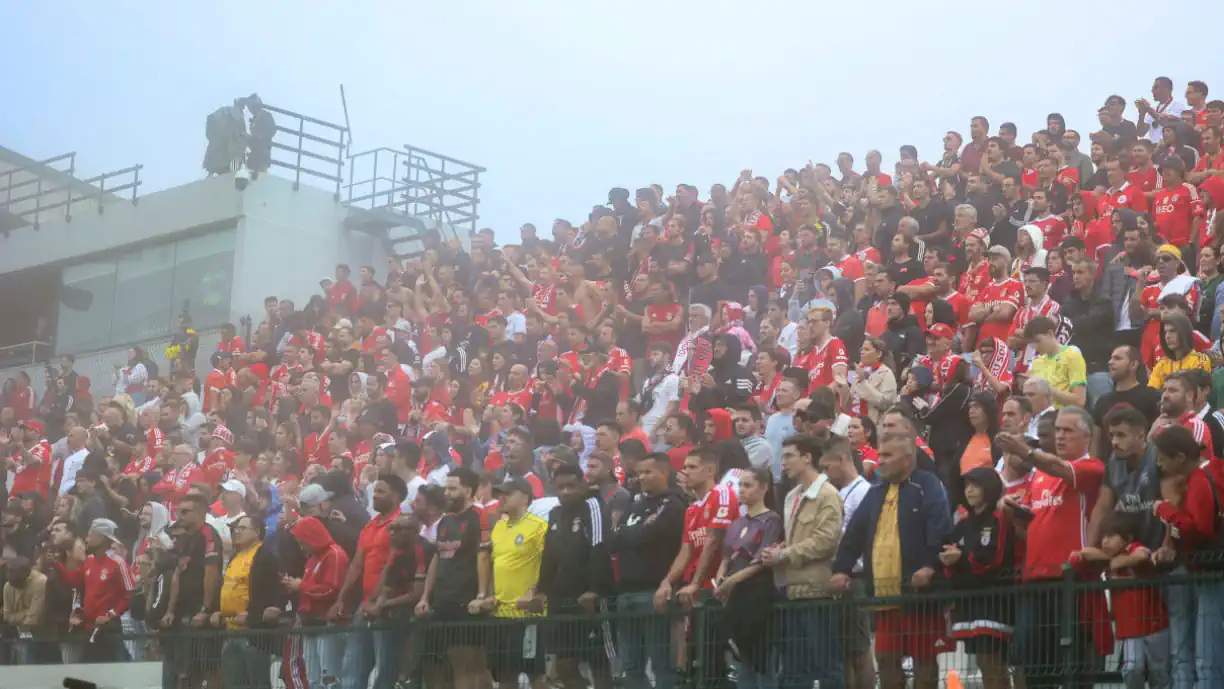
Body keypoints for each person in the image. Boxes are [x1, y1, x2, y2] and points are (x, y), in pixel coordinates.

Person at [995, 407, 1110, 689]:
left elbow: (1060, 468)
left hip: (1071, 578)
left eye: (1068, 431)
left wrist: (1026, 452)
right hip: (1034, 580)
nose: (1060, 436)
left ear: (1086, 435)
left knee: (1074, 663)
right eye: (1058, 430)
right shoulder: (1039, 478)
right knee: (1035, 666)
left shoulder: (1091, 467)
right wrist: (1012, 515)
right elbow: (1031, 531)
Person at [830, 432, 952, 689]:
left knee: (924, 661)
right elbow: (854, 533)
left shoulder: (928, 485)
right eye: (879, 455)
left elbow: (940, 528)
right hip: (884, 596)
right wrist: (841, 569)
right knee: (885, 659)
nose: (880, 461)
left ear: (907, 459)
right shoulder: (875, 492)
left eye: (887, 456)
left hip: (918, 595)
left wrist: (930, 566)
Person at [762, 434, 845, 689]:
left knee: (827, 665)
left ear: (807, 458)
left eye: (788, 456)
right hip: (792, 589)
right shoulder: (791, 496)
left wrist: (783, 555)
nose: (782, 462)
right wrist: (782, 548)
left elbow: (826, 541)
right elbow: (800, 538)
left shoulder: (827, 494)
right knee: (796, 670)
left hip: (816, 591)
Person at [608, 453, 685, 689]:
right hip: (626, 592)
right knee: (630, 666)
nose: (641, 477)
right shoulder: (635, 504)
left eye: (648, 472)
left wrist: (630, 534)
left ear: (663, 472)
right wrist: (635, 533)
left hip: (655, 591)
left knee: (662, 663)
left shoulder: (673, 503)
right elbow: (613, 539)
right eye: (639, 473)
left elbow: (650, 534)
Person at [535, 464, 616, 689]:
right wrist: (541, 590)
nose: (566, 491)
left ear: (583, 484)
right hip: (561, 600)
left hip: (590, 599)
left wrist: (595, 589)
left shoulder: (593, 505)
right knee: (564, 665)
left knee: (599, 663)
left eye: (571, 486)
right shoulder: (555, 513)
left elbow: (599, 547)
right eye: (560, 487)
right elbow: (549, 555)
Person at [415, 467, 491, 689]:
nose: (446, 493)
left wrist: (481, 594)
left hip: (466, 601)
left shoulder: (480, 516)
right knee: (442, 666)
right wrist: (425, 598)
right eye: (446, 488)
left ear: (468, 491)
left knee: (470, 664)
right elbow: (437, 559)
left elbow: (485, 557)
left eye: (452, 489)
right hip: (442, 601)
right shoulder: (445, 520)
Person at [941, 467, 1014, 689]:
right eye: (966, 486)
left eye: (975, 485)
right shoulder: (963, 523)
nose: (969, 490)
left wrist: (960, 559)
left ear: (989, 488)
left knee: (992, 662)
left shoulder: (998, 518)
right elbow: (947, 549)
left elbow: (992, 559)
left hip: (993, 600)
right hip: (968, 601)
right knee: (983, 662)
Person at [336, 474, 408, 689]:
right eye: (375, 491)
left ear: (396, 496)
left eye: (381, 491)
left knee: (386, 671)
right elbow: (357, 565)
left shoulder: (401, 525)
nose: (374, 495)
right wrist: (341, 599)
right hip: (365, 604)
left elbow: (392, 566)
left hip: (387, 605)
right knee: (352, 667)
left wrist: (376, 601)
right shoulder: (369, 526)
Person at [484, 478, 550, 689]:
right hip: (500, 612)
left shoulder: (539, 526)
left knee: (534, 674)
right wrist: (490, 594)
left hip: (526, 613)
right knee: (504, 674)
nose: (501, 498)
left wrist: (534, 592)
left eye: (508, 494)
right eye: (500, 494)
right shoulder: (499, 527)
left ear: (524, 497)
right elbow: (495, 564)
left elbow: (549, 564)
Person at [217, 515, 283, 689]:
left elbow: (271, 593)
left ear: (257, 532)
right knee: (234, 683)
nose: (237, 532)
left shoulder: (265, 557)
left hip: (253, 634)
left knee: (257, 682)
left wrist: (253, 615)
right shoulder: (235, 557)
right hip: (230, 629)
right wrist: (218, 611)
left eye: (242, 528)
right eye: (235, 529)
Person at [55, 518, 134, 662]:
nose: (86, 538)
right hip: (89, 628)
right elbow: (72, 581)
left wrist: (110, 616)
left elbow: (129, 593)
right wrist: (57, 565)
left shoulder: (118, 563)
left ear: (102, 537)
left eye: (91, 534)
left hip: (108, 630)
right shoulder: (89, 561)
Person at [1025, 315, 1087, 408]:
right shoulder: (1036, 363)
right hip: (1039, 418)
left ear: (1050, 333)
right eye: (1032, 344)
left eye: (1038, 341)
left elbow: (1080, 400)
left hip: (1062, 416)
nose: (1036, 347)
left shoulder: (1072, 355)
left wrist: (1050, 391)